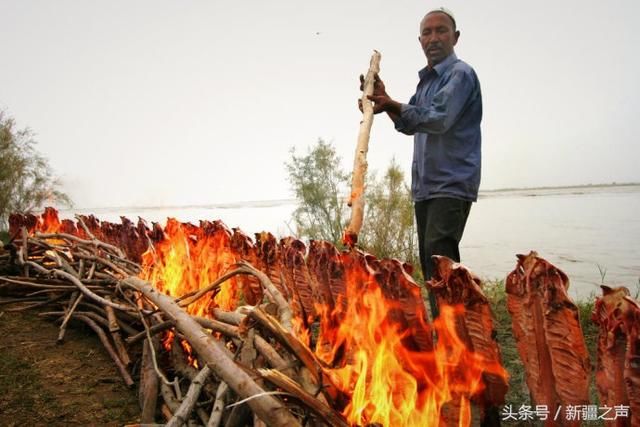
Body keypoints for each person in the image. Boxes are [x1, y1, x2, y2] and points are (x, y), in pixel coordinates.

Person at [360, 7, 482, 319]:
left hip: (451, 183)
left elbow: (439, 119)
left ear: (455, 37)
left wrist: (392, 104)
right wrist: (384, 101)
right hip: (426, 187)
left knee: (441, 262)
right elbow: (409, 123)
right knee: (431, 262)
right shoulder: (426, 83)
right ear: (419, 41)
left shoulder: (460, 75)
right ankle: (446, 331)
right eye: (427, 33)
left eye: (441, 31)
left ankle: (456, 337)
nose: (434, 38)